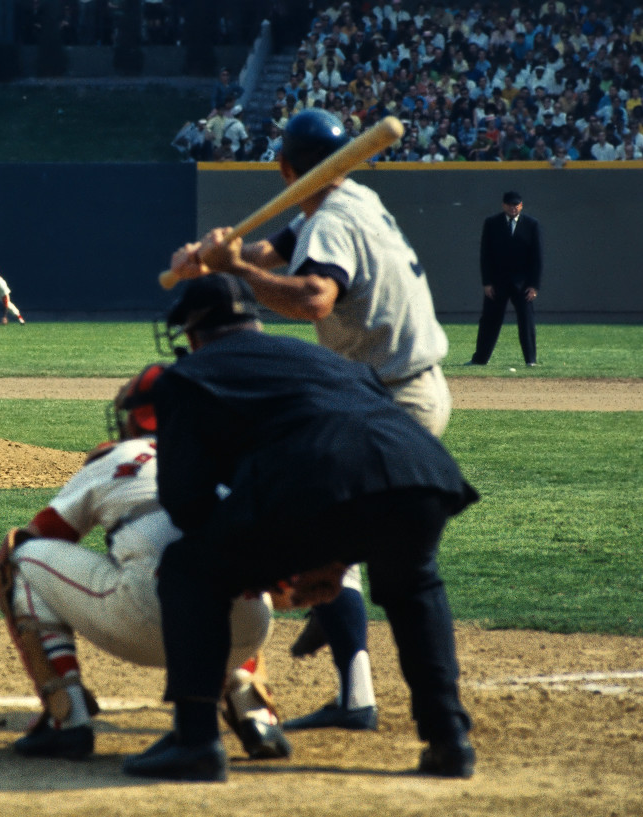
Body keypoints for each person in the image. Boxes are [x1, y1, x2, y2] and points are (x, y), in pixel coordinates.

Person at [165, 108, 455, 737]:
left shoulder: (332, 221)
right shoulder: (353, 200)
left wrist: (235, 271)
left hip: (386, 402)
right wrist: (219, 258)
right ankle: (352, 646)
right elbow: (279, 250)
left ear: (283, 167)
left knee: (331, 544)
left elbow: (313, 296)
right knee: (358, 552)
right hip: (394, 396)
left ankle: (348, 675)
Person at [121, 274, 478, 783]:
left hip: (320, 477)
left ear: (193, 333)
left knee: (189, 567)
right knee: (413, 585)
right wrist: (321, 550)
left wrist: (267, 562)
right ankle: (449, 739)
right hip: (421, 468)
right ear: (254, 321)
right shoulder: (322, 357)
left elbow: (186, 504)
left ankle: (196, 739)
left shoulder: (189, 375)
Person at [0, 368, 293, 762]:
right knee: (228, 571)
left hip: (147, 624)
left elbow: (42, 535)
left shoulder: (119, 455)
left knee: (22, 558)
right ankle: (255, 712)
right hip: (249, 630)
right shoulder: (229, 457)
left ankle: (67, 718)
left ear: (134, 418)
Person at [465, 191, 543, 367]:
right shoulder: (492, 223)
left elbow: (537, 258)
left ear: (521, 206)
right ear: (503, 205)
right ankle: (480, 359)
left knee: (526, 321)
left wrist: (534, 286)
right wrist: (487, 282)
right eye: (510, 204)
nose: (513, 208)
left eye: (516, 205)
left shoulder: (531, 225)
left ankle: (530, 360)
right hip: (497, 282)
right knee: (489, 321)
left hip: (522, 284)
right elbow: (485, 255)